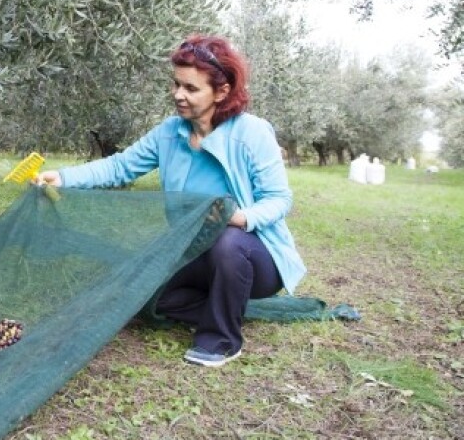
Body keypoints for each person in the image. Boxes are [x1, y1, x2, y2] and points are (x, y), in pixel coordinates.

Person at [35, 34, 306, 367]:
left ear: (221, 92)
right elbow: (120, 166)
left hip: (254, 256)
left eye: (191, 89)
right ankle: (219, 307)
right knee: (146, 297)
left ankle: (221, 339)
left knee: (228, 241)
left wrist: (240, 217)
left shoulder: (250, 133)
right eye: (176, 85)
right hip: (193, 251)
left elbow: (280, 199)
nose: (178, 95)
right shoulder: (170, 132)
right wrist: (63, 177)